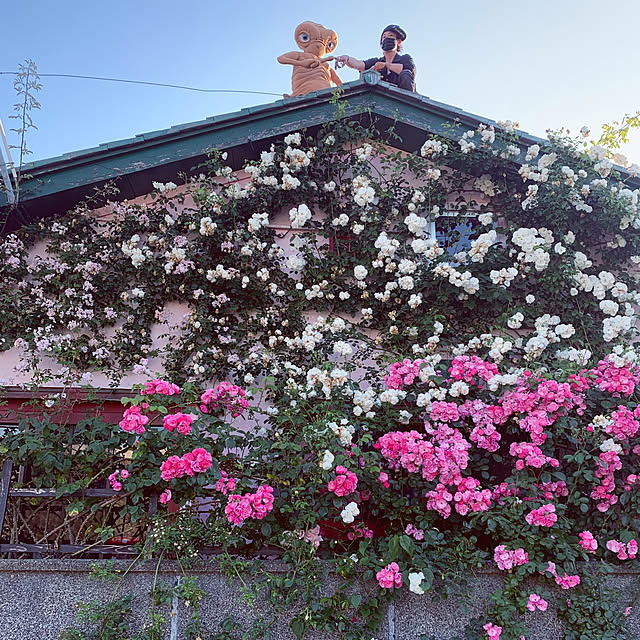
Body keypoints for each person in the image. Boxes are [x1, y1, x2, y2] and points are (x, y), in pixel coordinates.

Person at [334, 24, 416, 91]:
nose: (386, 38)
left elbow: (408, 72)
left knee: (405, 74)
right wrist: (347, 58)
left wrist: (386, 65)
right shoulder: (376, 61)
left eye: (390, 36)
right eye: (384, 37)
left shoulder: (405, 59)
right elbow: (359, 65)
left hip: (403, 101)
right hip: (383, 101)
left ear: (398, 41)